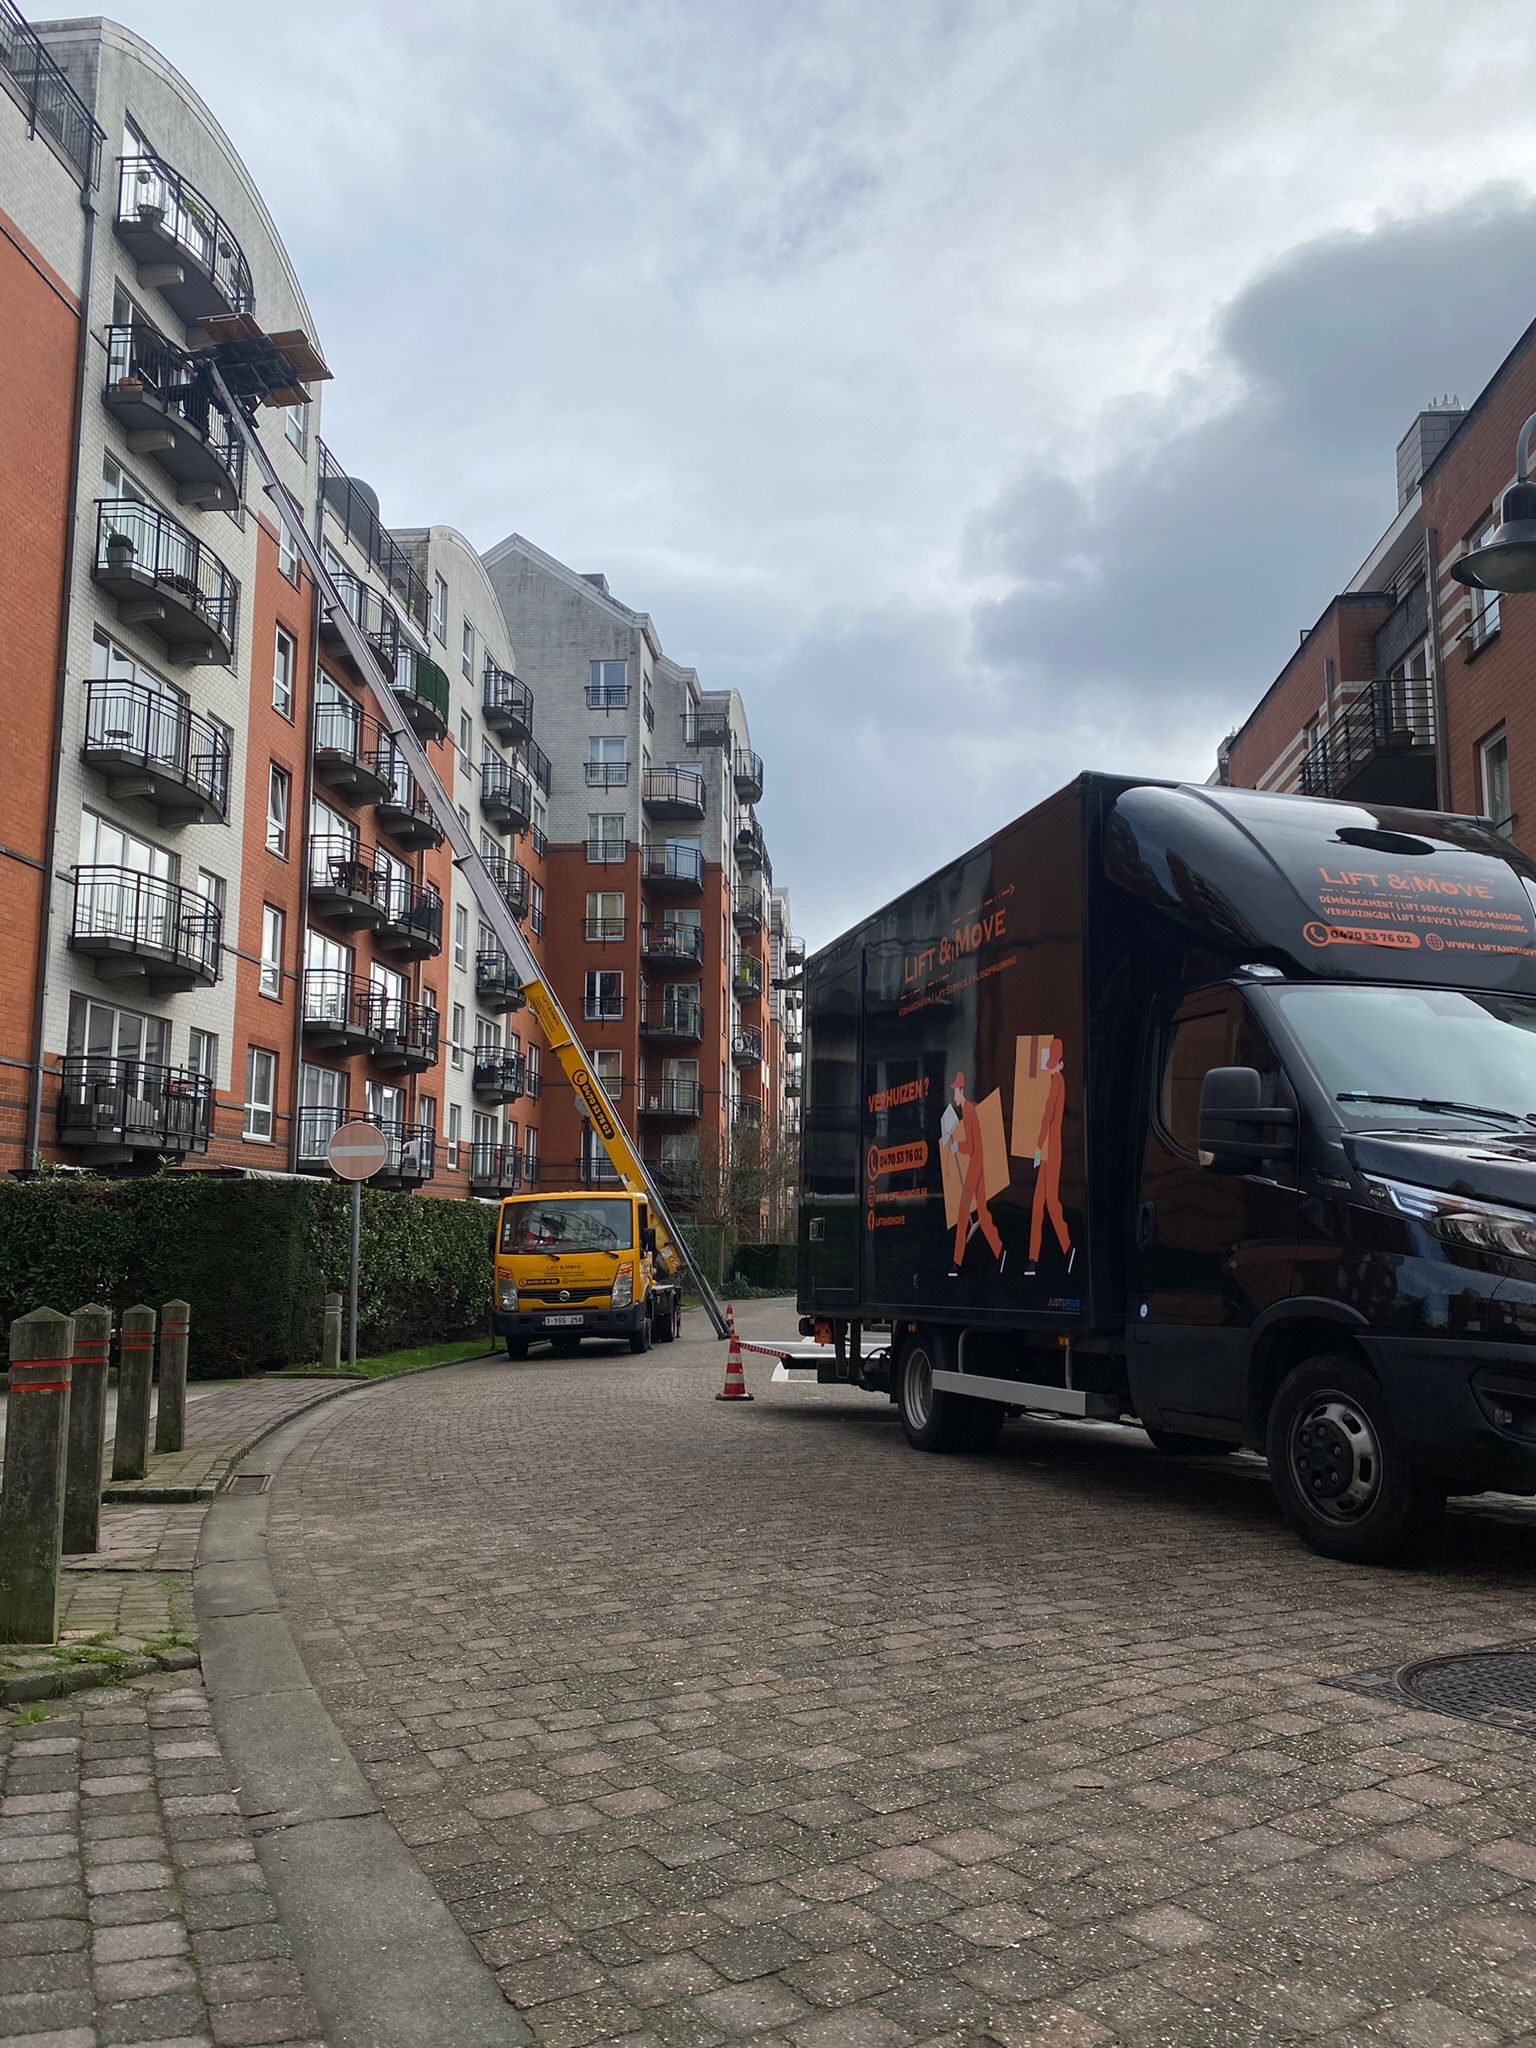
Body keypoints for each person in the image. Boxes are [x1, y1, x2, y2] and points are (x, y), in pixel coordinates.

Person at [948, 1070, 1004, 1274]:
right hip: (978, 1163)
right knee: (982, 1213)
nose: (954, 1095)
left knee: (963, 1213)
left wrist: (957, 1147)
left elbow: (970, 1146)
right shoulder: (968, 1109)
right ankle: (999, 1251)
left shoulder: (969, 1111)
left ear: (961, 1091)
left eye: (955, 1091)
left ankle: (956, 1262)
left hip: (975, 1164)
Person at [1027, 1037, 1072, 1274]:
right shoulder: (1055, 1080)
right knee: (1038, 1205)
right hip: (1048, 1149)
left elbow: (1047, 1116)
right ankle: (1033, 1259)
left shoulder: (1057, 1082)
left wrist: (1037, 1146)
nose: (1050, 1066)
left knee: (1050, 1203)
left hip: (1050, 1149)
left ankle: (1067, 1247)